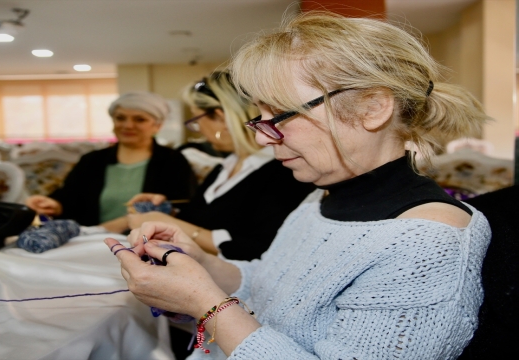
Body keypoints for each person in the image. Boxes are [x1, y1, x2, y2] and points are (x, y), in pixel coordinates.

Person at [105, 12, 492, 359]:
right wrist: (202, 263)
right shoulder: (320, 195)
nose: (261, 138)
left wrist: (206, 304)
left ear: (373, 107)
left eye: (280, 113)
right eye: (260, 116)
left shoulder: (427, 243)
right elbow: (271, 284)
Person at [127, 72, 316, 261]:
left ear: (220, 118)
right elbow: (207, 217)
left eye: (196, 120)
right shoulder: (224, 167)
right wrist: (165, 211)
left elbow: (259, 248)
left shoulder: (284, 173)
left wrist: (170, 224)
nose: (198, 128)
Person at [25, 92, 196, 231]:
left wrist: (121, 224)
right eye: (120, 118)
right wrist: (53, 204)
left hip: (147, 245)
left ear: (157, 126)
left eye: (139, 119)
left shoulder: (172, 161)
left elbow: (179, 207)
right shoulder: (92, 160)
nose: (127, 125)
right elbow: (70, 196)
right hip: (90, 242)